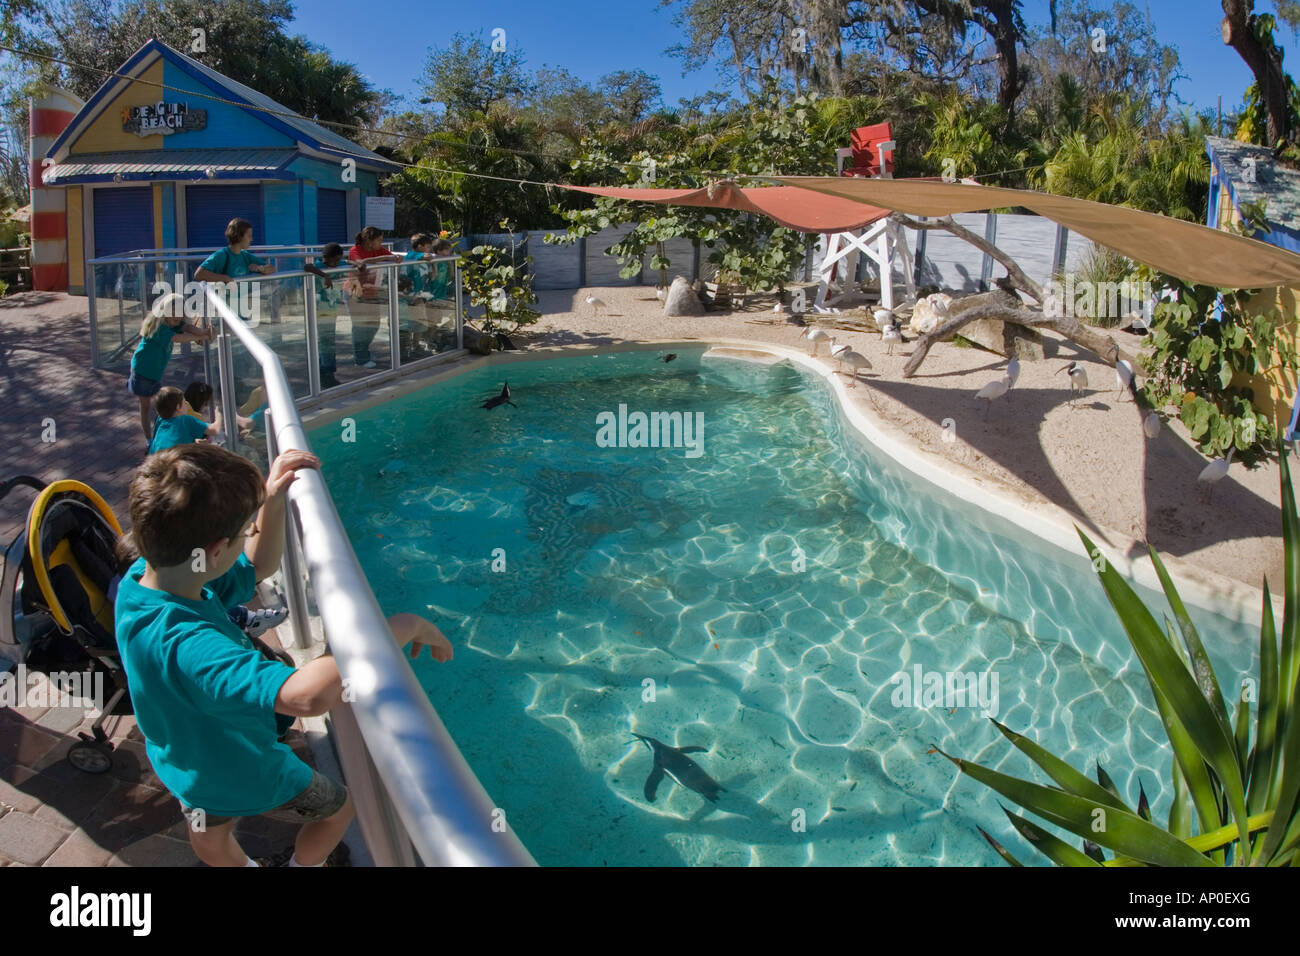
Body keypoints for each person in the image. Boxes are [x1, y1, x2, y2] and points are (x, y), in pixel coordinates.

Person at [114, 443, 453, 867]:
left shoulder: (147, 583)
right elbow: (305, 697)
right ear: (216, 550)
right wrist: (401, 626)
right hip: (246, 766)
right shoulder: (187, 642)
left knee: (210, 833)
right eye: (244, 534)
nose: (248, 539)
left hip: (183, 759)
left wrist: (270, 504)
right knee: (338, 812)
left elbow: (257, 567)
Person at [128, 293, 213, 444]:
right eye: (173, 313)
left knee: (160, 406)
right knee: (146, 406)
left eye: (180, 314)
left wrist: (201, 332)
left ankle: (160, 433)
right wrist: (202, 337)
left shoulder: (174, 323)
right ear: (165, 311)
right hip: (142, 371)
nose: (177, 317)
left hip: (155, 372)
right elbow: (178, 338)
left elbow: (187, 327)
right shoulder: (160, 328)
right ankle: (149, 440)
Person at [345, 226, 401, 369]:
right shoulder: (355, 250)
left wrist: (395, 258)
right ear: (369, 240)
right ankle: (360, 357)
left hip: (372, 292)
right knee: (360, 326)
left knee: (373, 325)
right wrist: (387, 257)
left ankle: (364, 351)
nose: (381, 243)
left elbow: (391, 258)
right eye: (379, 240)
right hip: (355, 292)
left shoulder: (380, 250)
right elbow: (361, 263)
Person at [304, 243, 346, 388]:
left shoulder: (341, 263)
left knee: (329, 340)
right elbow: (307, 267)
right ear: (325, 258)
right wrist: (324, 275)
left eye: (337, 261)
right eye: (333, 261)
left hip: (332, 309)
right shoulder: (318, 266)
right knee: (325, 340)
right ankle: (325, 372)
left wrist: (359, 265)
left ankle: (327, 370)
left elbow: (351, 262)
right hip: (320, 309)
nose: (335, 264)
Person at [194, 218, 276, 285]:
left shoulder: (246, 256)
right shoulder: (221, 255)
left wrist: (260, 269)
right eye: (249, 236)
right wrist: (225, 278)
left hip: (242, 303)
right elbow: (199, 274)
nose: (251, 239)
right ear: (239, 236)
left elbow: (272, 269)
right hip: (222, 304)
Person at [148, 386, 223, 454]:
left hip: (155, 458)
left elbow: (169, 440)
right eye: (184, 403)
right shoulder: (185, 420)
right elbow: (214, 430)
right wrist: (219, 415)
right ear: (178, 407)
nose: (187, 405)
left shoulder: (160, 419)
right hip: (172, 461)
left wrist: (194, 442)